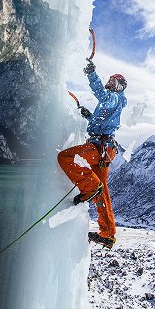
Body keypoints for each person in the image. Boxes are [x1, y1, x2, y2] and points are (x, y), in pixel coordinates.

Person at [57, 60, 127, 249]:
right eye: (111, 80)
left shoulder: (113, 98)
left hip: (100, 148)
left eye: (115, 82)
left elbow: (104, 97)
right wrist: (89, 116)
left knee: (64, 157)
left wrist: (91, 74)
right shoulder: (114, 104)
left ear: (120, 88)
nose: (111, 82)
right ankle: (108, 233)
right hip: (105, 149)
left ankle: (89, 186)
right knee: (102, 191)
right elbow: (102, 122)